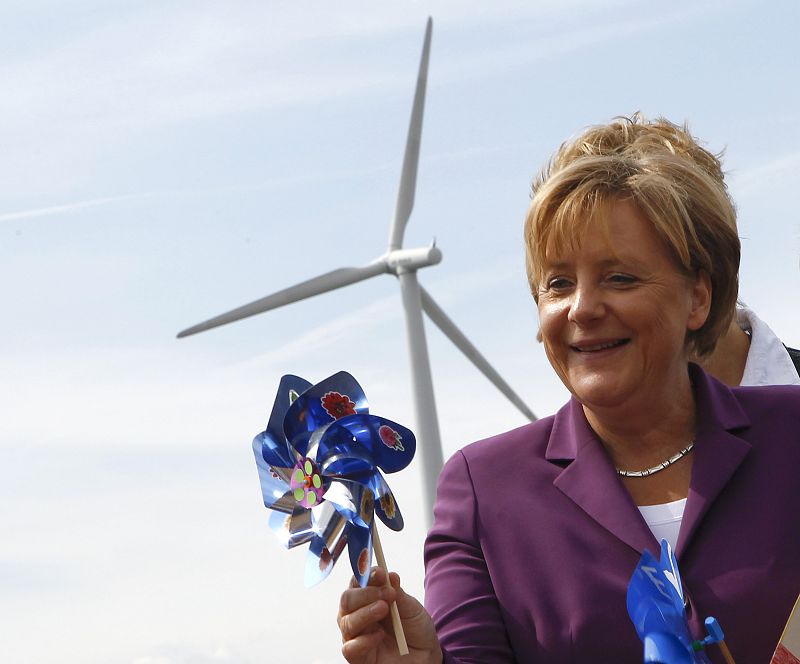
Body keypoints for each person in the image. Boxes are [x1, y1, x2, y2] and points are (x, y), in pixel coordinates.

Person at [337, 115, 800, 663]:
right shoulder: (482, 493)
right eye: (558, 283)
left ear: (698, 298)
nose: (582, 308)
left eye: (619, 277)